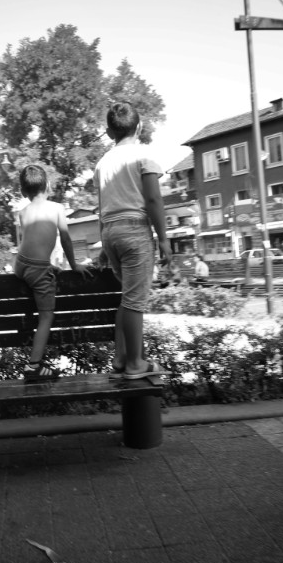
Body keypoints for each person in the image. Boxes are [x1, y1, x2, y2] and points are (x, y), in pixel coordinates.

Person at [93, 101, 172, 380]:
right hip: (135, 232)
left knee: (127, 299)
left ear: (109, 132)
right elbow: (153, 199)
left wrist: (104, 248)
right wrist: (163, 239)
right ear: (139, 127)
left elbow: (102, 207)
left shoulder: (102, 163)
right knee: (134, 302)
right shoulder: (144, 155)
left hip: (110, 233)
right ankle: (136, 363)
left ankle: (120, 359)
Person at [15, 164, 91, 381]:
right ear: (48, 185)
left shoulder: (22, 213)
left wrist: (45, 265)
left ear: (23, 191)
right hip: (37, 270)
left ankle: (34, 364)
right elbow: (65, 238)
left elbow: (31, 242)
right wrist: (74, 265)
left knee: (39, 270)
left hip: (20, 264)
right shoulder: (57, 208)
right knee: (46, 316)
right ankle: (33, 366)